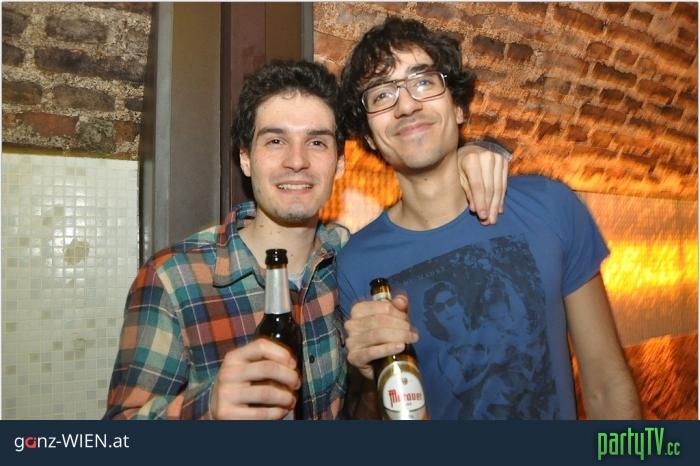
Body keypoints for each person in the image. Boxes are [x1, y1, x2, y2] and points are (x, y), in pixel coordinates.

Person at [104, 60, 511, 420]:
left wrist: (474, 152)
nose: (296, 161)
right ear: (245, 157)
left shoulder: (354, 261)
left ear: (339, 163)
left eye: (316, 142)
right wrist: (206, 410)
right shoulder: (174, 279)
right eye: (275, 140)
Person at [336, 17, 641, 420]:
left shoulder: (549, 206)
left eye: (423, 82)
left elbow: (606, 384)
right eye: (382, 94)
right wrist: (365, 376)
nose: (406, 105)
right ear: (369, 136)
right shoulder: (356, 263)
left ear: (459, 107)